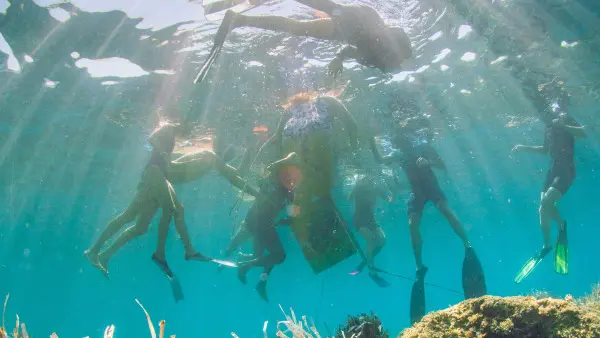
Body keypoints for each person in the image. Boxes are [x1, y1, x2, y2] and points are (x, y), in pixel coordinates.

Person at [84, 123, 259, 278]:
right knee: (134, 216)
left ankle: (104, 255)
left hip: (162, 183)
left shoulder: (214, 161)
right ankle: (96, 250)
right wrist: (163, 156)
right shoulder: (206, 155)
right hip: (155, 180)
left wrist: (257, 189)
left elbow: (236, 177)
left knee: (141, 227)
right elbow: (168, 161)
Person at [194, 0, 412, 84]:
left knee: (298, 28)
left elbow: (348, 51)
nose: (390, 63)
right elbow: (392, 30)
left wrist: (338, 59)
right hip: (361, 21)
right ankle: (239, 20)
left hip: (349, 31)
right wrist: (375, 32)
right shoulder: (394, 48)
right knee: (328, 8)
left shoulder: (374, 59)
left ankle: (240, 20)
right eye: (393, 62)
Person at [512, 82, 586, 283]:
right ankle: (546, 245)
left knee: (547, 203)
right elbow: (545, 150)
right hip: (552, 170)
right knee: (542, 209)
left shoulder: (565, 119)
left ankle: (561, 224)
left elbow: (583, 133)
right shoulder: (548, 127)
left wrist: (565, 125)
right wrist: (523, 147)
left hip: (566, 170)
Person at [223, 156, 296, 301]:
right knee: (278, 256)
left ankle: (258, 278)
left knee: (264, 256)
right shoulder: (278, 186)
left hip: (258, 223)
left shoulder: (280, 188)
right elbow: (290, 216)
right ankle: (246, 267)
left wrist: (283, 220)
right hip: (261, 224)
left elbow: (289, 215)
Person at [348, 174, 397, 281]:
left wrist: (394, 190)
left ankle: (367, 261)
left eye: (369, 179)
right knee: (371, 239)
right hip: (359, 220)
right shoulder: (359, 188)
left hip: (371, 220)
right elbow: (349, 198)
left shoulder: (376, 189)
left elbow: (391, 200)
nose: (368, 181)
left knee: (383, 240)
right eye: (365, 179)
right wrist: (356, 186)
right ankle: (371, 269)